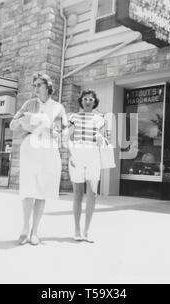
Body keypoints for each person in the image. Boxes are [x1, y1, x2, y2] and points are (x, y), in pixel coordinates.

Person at [10, 72, 68, 246]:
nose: (35, 88)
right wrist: (24, 121)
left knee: (42, 190)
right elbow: (13, 124)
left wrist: (59, 132)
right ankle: (25, 229)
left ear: (48, 86)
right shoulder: (29, 104)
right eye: (34, 85)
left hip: (49, 148)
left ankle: (35, 232)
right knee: (28, 188)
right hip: (30, 147)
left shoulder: (58, 107)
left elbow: (65, 130)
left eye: (39, 85)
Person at [68, 89, 105, 243]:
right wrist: (71, 154)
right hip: (77, 154)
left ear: (94, 102)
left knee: (92, 193)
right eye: (85, 99)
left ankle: (86, 231)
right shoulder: (73, 117)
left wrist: (100, 138)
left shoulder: (100, 118)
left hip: (93, 156)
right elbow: (68, 137)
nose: (88, 101)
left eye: (91, 99)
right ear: (81, 101)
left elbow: (104, 138)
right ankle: (76, 229)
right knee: (77, 193)